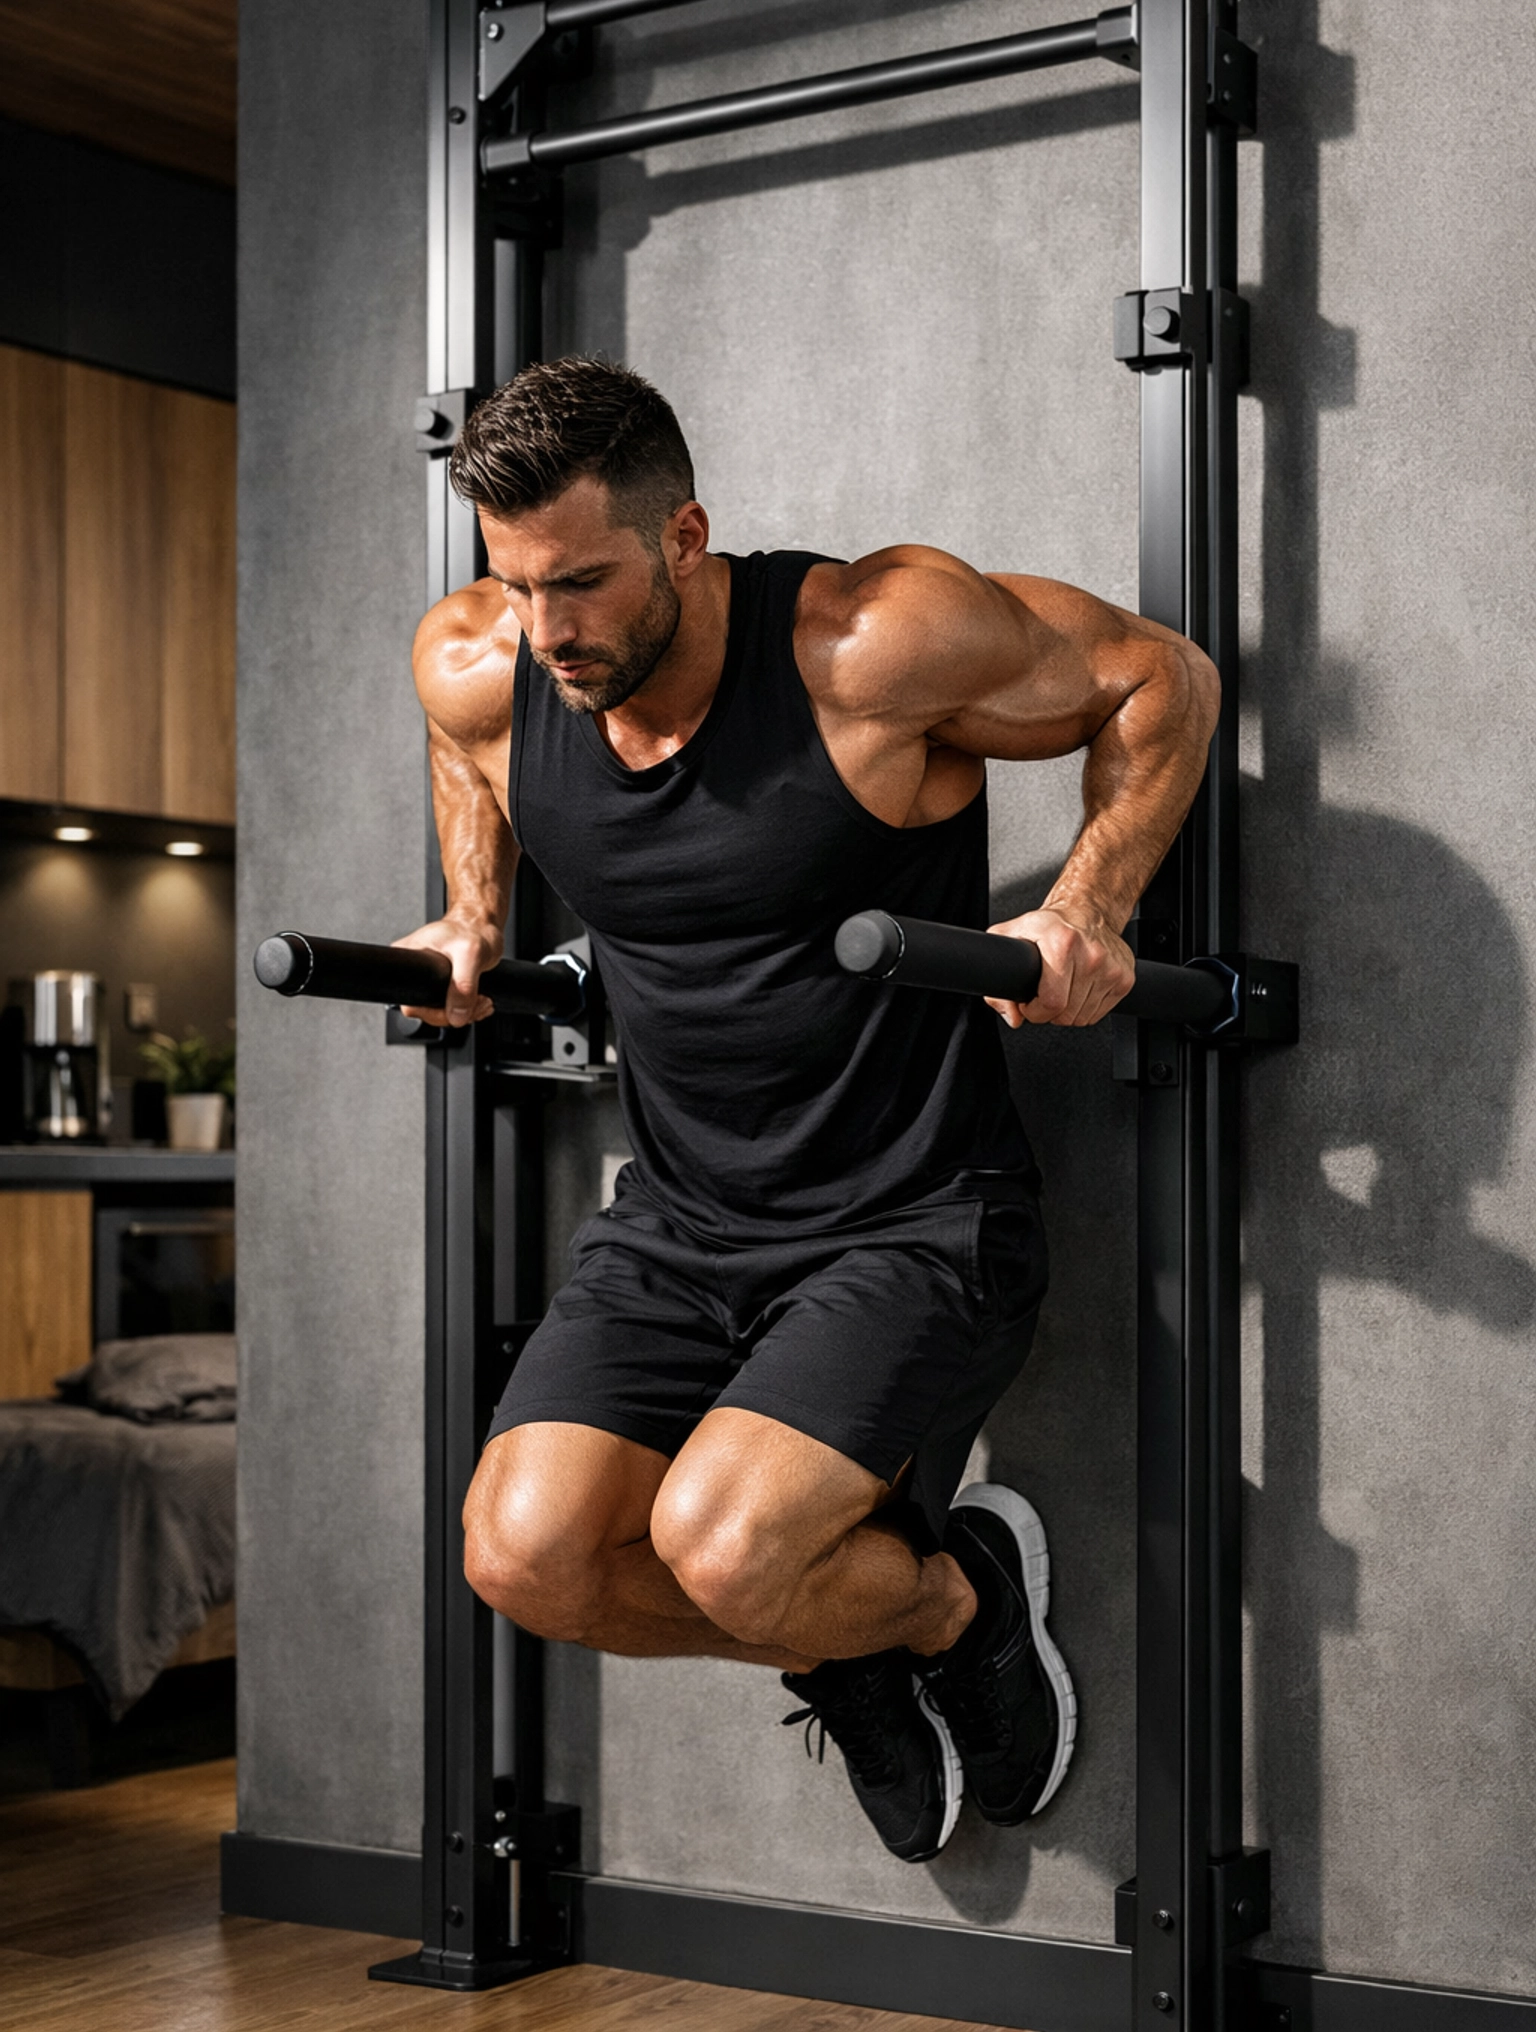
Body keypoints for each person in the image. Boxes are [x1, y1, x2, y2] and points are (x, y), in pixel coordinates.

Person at [396, 355, 1219, 1864]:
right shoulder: (481, 661)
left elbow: (1159, 676)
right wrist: (469, 913)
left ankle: (944, 1603)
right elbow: (466, 746)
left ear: (685, 537)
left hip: (915, 1218)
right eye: (517, 585)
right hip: (679, 1225)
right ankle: (871, 1629)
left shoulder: (868, 643)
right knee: (521, 1558)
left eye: (580, 583)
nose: (547, 631)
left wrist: (1087, 905)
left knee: (720, 1551)